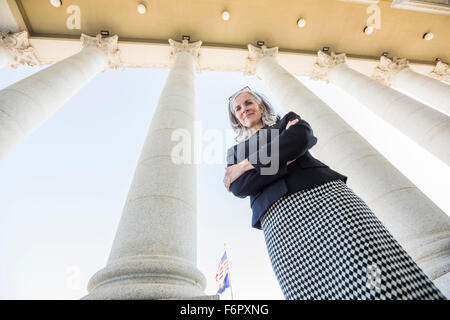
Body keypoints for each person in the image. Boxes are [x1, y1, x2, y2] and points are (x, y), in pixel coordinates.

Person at [223, 86, 446, 300]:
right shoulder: (234, 152)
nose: (244, 109)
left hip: (326, 198)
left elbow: (299, 139)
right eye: (238, 109)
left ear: (261, 106)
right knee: (307, 285)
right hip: (278, 220)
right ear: (237, 118)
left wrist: (245, 166)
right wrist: (285, 159)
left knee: (369, 261)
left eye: (248, 102)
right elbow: (240, 187)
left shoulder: (285, 121)